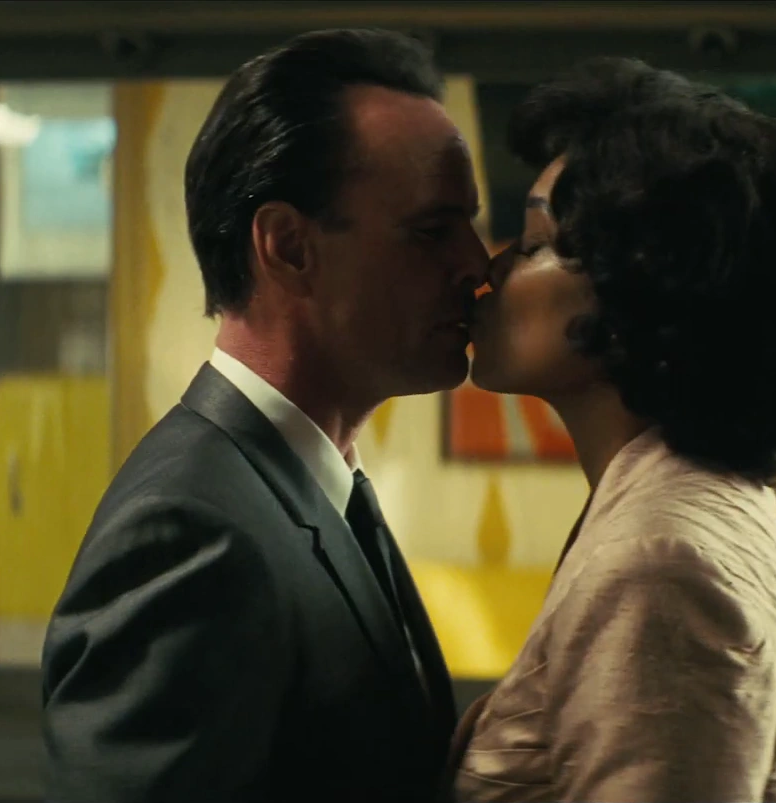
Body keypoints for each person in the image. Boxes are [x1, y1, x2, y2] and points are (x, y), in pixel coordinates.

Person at [40, 29, 489, 803]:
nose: (477, 264)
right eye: (431, 231)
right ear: (287, 246)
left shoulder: (305, 486)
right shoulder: (190, 532)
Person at [450, 58, 776, 802]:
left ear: (644, 288)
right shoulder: (699, 499)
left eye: (534, 242)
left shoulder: (660, 569)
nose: (495, 269)